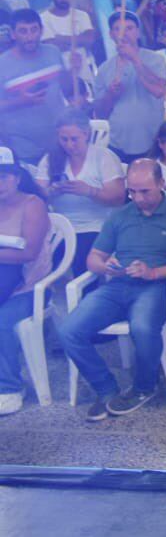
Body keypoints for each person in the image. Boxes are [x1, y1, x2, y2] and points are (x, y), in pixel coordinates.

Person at [58, 159, 166, 420]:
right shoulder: (120, 215)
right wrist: (105, 266)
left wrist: (154, 272)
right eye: (132, 191)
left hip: (157, 285)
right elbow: (94, 257)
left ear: (161, 183)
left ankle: (145, 386)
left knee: (143, 327)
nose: (137, 197)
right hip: (119, 283)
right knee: (69, 330)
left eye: (144, 191)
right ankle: (106, 389)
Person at [38, 109, 126, 269]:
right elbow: (37, 196)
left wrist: (90, 191)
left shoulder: (104, 157)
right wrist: (53, 191)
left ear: (86, 134)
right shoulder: (50, 159)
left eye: (74, 139)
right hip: (59, 229)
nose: (69, 145)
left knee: (82, 260)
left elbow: (118, 198)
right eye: (64, 139)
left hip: (95, 226)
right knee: (43, 263)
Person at [0, 148, 49, 416]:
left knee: (1, 321)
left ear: (17, 178)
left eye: (4, 176)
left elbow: (28, 252)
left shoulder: (32, 204)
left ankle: (9, 387)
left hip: (30, 289)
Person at [93, 12, 166, 162]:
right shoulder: (104, 69)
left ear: (138, 32)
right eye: (117, 29)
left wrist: (135, 59)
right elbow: (101, 113)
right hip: (118, 144)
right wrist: (111, 95)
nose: (124, 33)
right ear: (110, 34)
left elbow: (159, 90)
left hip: (153, 141)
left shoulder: (155, 59)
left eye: (129, 28)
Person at [0, 9, 68, 163]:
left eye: (34, 30)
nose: (30, 37)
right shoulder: (2, 65)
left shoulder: (53, 53)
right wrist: (21, 101)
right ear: (12, 34)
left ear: (41, 30)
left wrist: (73, 72)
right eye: (23, 31)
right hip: (24, 148)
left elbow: (66, 87)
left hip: (59, 142)